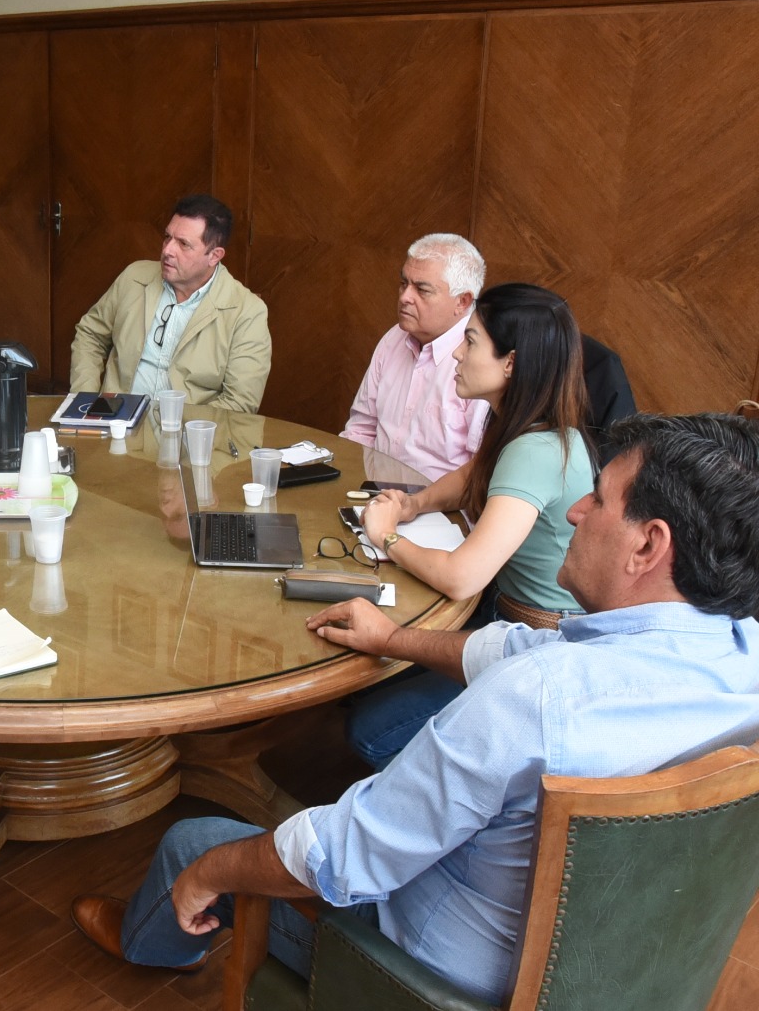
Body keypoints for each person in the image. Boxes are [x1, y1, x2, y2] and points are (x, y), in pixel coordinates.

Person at [71, 411, 759, 1005]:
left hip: (420, 985)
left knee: (193, 844)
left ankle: (151, 943)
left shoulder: (533, 703)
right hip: (629, 963)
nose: (575, 510)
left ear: (649, 543)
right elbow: (521, 648)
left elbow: (345, 854)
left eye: (600, 499)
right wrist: (391, 637)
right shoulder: (743, 657)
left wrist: (209, 874)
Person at [348, 282, 596, 767]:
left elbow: (462, 577)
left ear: (511, 363)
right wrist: (416, 504)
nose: (457, 353)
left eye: (472, 341)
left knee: (371, 730)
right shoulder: (526, 423)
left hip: (534, 641)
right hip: (504, 614)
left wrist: (387, 536)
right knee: (367, 670)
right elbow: (472, 475)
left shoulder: (534, 451)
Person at [69, 194, 271, 413]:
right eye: (168, 237)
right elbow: (90, 335)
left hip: (187, 437)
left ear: (214, 256)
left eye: (183, 244)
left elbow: (239, 402)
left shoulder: (247, 311)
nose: (167, 250)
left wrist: (171, 426)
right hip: (115, 423)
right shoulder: (134, 277)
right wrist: (86, 400)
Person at [339, 234, 490, 481]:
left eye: (422, 289)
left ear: (462, 302)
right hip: (373, 494)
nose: (404, 297)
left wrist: (416, 505)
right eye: (403, 283)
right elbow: (361, 429)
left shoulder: (482, 359)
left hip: (442, 510)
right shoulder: (394, 338)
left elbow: (480, 470)